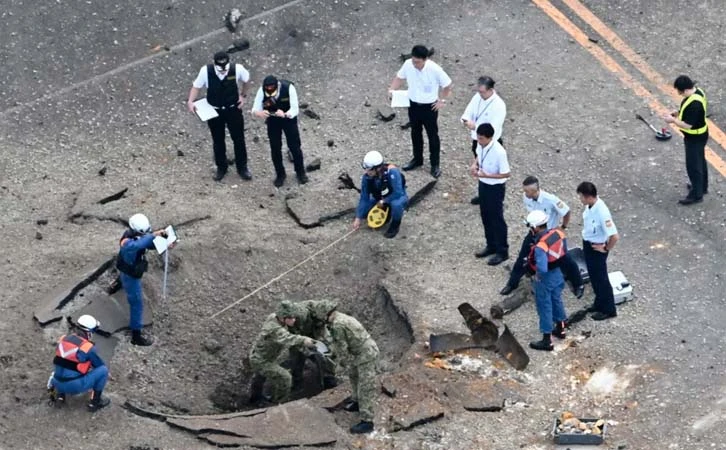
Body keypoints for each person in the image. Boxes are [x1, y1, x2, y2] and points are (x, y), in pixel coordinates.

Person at [500, 176, 584, 298]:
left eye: (527, 191)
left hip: (550, 235)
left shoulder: (550, 200)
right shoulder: (527, 198)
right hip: (535, 232)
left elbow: (566, 211)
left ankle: (578, 284)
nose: (524, 194)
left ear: (535, 190)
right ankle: (512, 283)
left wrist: (562, 227)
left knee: (564, 259)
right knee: (523, 257)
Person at [308, 300, 380, 435]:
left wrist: (337, 361)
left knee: (365, 385)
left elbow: (342, 347)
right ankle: (357, 402)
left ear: (325, 314)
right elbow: (339, 344)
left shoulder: (338, 325)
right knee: (353, 376)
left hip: (366, 353)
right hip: (357, 353)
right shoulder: (339, 318)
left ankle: (367, 421)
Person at [388, 45, 453, 178]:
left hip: (429, 107)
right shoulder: (408, 65)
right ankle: (417, 159)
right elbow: (399, 78)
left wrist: (442, 101)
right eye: (413, 61)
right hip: (413, 104)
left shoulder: (434, 69)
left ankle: (435, 164)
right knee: (415, 132)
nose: (415, 64)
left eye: (418, 62)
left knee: (432, 135)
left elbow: (447, 85)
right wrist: (391, 89)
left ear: (425, 59)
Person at [187, 51, 251, 181]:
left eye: (225, 68)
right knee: (218, 140)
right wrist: (190, 101)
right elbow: (196, 87)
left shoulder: (237, 69)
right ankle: (221, 167)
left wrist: (243, 96)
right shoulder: (205, 71)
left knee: (238, 139)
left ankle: (242, 167)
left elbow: (247, 80)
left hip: (233, 109)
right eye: (220, 68)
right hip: (214, 111)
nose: (223, 71)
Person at [248, 302, 321, 404]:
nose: (294, 320)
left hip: (265, 356)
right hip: (261, 360)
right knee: (285, 378)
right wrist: (304, 340)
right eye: (290, 318)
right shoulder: (273, 328)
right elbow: (287, 338)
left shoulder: (276, 318)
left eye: (294, 317)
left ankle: (255, 398)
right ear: (282, 318)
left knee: (260, 375)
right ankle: (278, 403)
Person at [116, 213, 169, 346]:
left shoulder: (136, 235)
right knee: (137, 304)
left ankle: (116, 284)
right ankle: (136, 336)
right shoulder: (127, 243)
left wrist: (164, 242)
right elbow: (139, 245)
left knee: (122, 277)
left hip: (127, 267)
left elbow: (146, 243)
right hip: (130, 274)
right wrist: (153, 235)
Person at [251, 75, 308, 187]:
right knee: (275, 147)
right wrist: (260, 113)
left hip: (288, 119)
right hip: (272, 121)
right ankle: (280, 174)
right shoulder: (261, 91)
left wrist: (285, 114)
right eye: (268, 88)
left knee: (294, 146)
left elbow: (295, 108)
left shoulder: (289, 88)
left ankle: (300, 172)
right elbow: (255, 109)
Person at [524, 211, 568, 352]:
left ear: (535, 227)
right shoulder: (558, 234)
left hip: (545, 278)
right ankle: (561, 329)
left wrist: (535, 274)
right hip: (558, 274)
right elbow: (565, 252)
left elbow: (542, 268)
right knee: (557, 300)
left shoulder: (540, 246)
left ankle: (546, 340)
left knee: (544, 306)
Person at [662, 75, 709, 205]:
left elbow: (687, 125)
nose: (679, 94)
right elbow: (688, 113)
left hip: (694, 137)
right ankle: (702, 186)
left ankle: (696, 194)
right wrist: (677, 113)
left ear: (686, 90)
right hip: (701, 134)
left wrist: (673, 120)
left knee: (693, 166)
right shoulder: (698, 93)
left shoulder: (694, 105)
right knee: (700, 161)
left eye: (680, 91)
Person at [48, 315, 110, 411]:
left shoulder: (63, 339)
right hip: (74, 387)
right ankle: (95, 403)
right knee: (103, 371)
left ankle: (60, 396)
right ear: (89, 333)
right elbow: (99, 366)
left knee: (63, 365)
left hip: (56, 382)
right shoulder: (87, 348)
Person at [461, 76, 507, 205]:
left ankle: (498, 199)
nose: (479, 94)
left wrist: (475, 126)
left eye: (482, 92)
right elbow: (467, 112)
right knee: (480, 168)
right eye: (478, 91)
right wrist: (466, 121)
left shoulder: (499, 105)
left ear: (491, 89)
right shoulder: (477, 97)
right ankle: (483, 195)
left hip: (491, 142)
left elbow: (494, 129)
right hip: (478, 140)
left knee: (494, 171)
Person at [576, 182, 619, 320]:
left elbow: (614, 236)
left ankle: (609, 309)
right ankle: (599, 303)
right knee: (594, 277)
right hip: (589, 244)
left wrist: (606, 248)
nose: (580, 199)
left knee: (601, 279)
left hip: (597, 248)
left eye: (581, 196)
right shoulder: (590, 206)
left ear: (588, 196)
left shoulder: (602, 212)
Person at [470, 123, 510, 266]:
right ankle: (491, 245)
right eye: (478, 138)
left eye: (481, 138)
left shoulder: (499, 152)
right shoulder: (481, 145)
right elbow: (478, 156)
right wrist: (474, 164)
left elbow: (506, 173)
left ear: (490, 138)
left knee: (497, 218)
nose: (478, 141)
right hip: (483, 184)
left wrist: (488, 175)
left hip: (495, 187)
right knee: (485, 215)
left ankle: (502, 251)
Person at [352, 151, 409, 239]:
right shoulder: (366, 178)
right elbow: (364, 197)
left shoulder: (392, 172)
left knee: (396, 204)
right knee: (363, 212)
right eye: (366, 168)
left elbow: (398, 193)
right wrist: (358, 217)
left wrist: (384, 201)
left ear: (378, 168)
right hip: (379, 198)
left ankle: (395, 224)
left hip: (395, 197)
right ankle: (387, 211)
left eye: (369, 169)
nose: (367, 171)